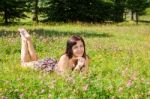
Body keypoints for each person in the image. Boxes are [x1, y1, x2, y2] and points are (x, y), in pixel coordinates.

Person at [19, 28, 89, 75]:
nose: (80, 49)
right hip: (47, 67)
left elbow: (83, 77)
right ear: (70, 49)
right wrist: (78, 66)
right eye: (76, 47)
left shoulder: (85, 58)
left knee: (35, 60)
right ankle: (24, 40)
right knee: (24, 63)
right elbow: (67, 78)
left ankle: (28, 40)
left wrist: (80, 65)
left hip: (53, 63)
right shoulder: (65, 58)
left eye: (81, 46)